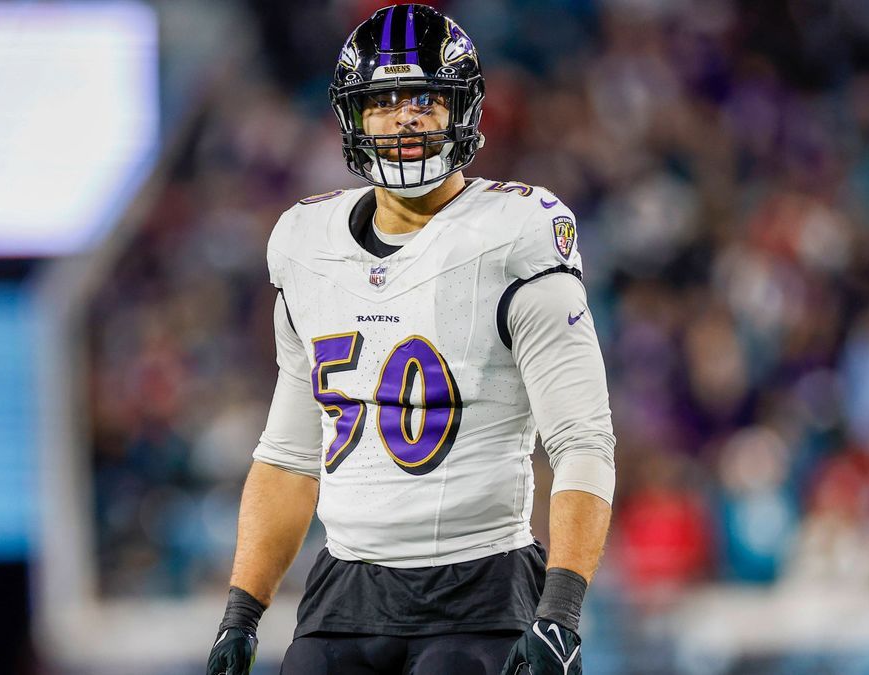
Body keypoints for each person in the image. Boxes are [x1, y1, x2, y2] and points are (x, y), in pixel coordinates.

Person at [207, 5, 615, 674]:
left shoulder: (517, 232)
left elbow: (583, 441)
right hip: (343, 592)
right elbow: (288, 454)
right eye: (385, 100)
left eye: (425, 97)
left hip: (480, 590)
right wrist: (240, 613)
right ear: (353, 117)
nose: (406, 117)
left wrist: (561, 612)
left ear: (463, 109)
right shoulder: (306, 245)